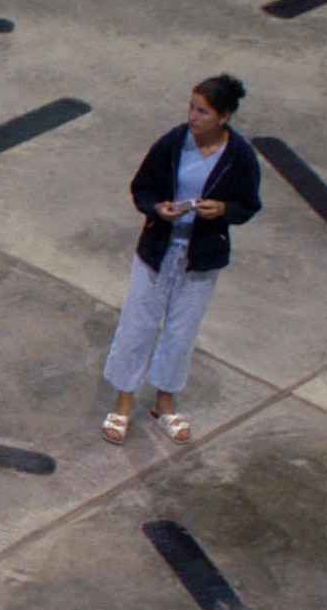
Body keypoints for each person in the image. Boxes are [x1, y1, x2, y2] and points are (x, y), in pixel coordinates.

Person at [101, 75, 261, 445]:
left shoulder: (239, 157)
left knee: (181, 329)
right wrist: (157, 208)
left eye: (202, 111)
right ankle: (124, 401)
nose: (191, 116)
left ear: (224, 116)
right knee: (138, 322)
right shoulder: (173, 144)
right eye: (191, 106)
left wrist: (222, 209)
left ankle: (165, 403)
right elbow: (142, 187)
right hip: (159, 249)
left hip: (200, 257)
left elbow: (248, 205)